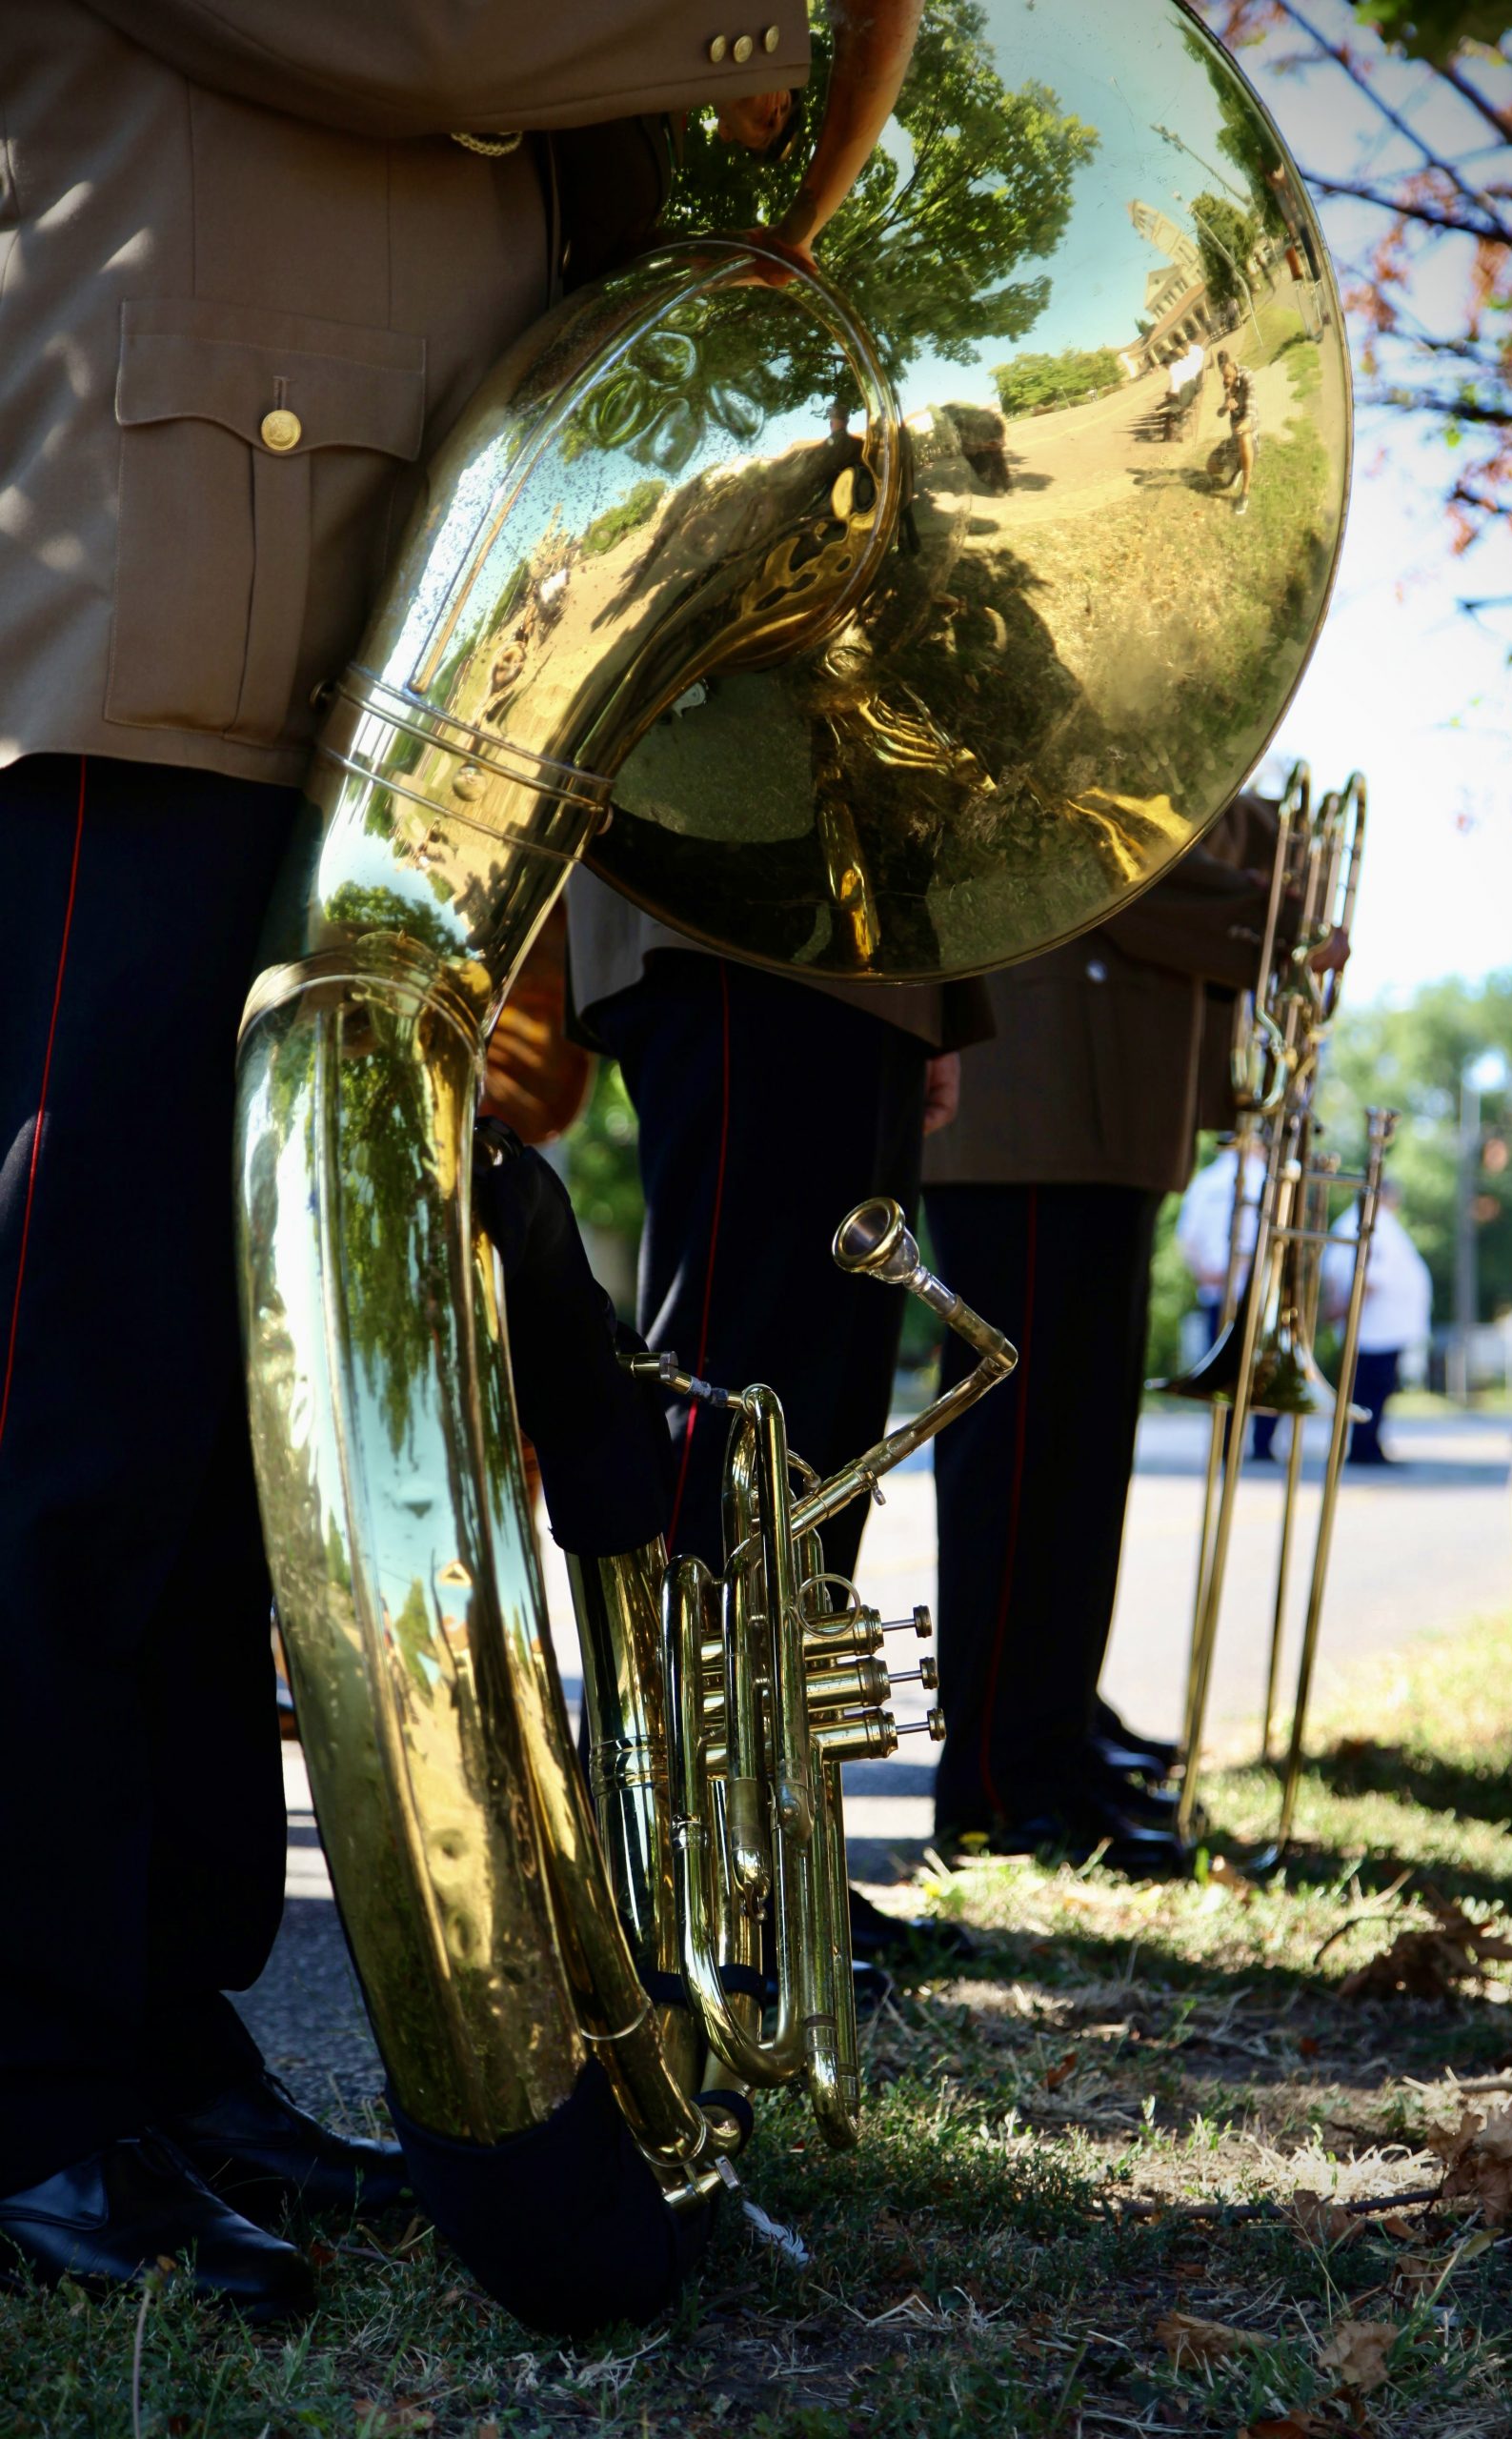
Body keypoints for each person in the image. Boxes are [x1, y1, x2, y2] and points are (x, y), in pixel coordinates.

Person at [0, 0, 823, 2322]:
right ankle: (30, 2087)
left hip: (381, 621)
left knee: (216, 1450)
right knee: (67, 1419)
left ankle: (159, 2046)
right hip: (149, 591)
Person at [565, 874, 984, 1962]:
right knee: (735, 1400)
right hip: (736, 913)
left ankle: (777, 1865)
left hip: (873, 956)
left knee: (826, 1439)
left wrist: (938, 998)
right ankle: (677, 1866)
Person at [921, 813, 1281, 1875]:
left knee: (1077, 1468)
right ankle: (997, 1784)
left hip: (1106, 1097)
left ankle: (1049, 1744)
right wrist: (1272, 919)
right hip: (1030, 1091)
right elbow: (1100, 852)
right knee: (1025, 1461)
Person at [1175, 1137, 1280, 1461]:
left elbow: (1186, 1237)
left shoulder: (1206, 1181)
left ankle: (1227, 1444)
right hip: (1256, 1289)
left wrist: (1206, 1272)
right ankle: (1261, 1445)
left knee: (1225, 1370)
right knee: (1262, 1369)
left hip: (1222, 1287)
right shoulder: (1270, 1176)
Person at [1321, 1181, 1433, 1466]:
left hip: (1381, 1327)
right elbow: (1366, 1279)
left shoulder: (1364, 1221)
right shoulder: (1369, 1222)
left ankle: (1368, 1443)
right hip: (1375, 1328)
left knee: (1374, 1390)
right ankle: (1363, 1446)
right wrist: (1344, 1310)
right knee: (1370, 1391)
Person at [1215, 348, 1258, 514]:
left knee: (1243, 434)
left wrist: (1245, 422)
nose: (1226, 379)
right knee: (1212, 468)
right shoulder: (1226, 383)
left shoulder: (1247, 375)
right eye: (1223, 376)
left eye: (1228, 375)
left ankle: (1245, 492)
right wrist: (1226, 405)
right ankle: (1238, 467)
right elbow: (1219, 413)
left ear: (1233, 365)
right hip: (1234, 441)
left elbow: (1252, 405)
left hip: (1250, 432)